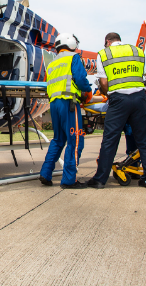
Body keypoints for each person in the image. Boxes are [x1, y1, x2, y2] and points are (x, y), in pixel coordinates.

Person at [87, 32, 146, 189]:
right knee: (143, 140)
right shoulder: (137, 51)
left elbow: (104, 82)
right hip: (139, 98)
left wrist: (106, 94)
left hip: (118, 100)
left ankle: (100, 180)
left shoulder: (104, 53)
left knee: (110, 140)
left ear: (107, 41)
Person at [39, 33, 93, 189]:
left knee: (58, 140)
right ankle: (69, 180)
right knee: (75, 141)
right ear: (71, 44)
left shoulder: (52, 63)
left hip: (54, 105)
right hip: (69, 103)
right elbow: (81, 78)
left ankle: (45, 173)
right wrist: (88, 92)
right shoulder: (73, 57)